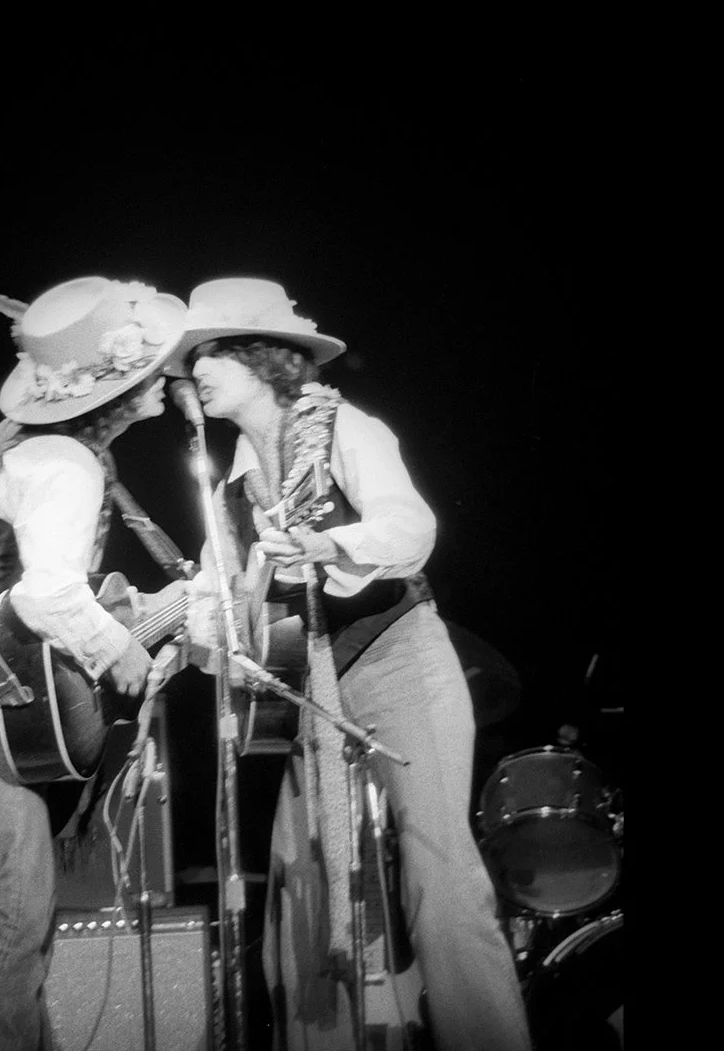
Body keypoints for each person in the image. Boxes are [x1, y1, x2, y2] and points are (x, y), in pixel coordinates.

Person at [171, 278, 531, 1051]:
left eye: (210, 353)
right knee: (302, 886)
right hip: (311, 693)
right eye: (193, 356)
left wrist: (333, 545)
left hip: (399, 660)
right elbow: (217, 604)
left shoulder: (342, 429)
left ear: (262, 358)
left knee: (441, 878)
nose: (194, 370)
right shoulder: (230, 480)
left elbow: (410, 526)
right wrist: (170, 627)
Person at [0, 275, 188, 1051]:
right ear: (119, 386)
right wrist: (119, 647)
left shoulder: (30, 447)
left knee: (22, 913)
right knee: (16, 914)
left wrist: (147, 613)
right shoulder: (64, 462)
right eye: (151, 365)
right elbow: (47, 597)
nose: (168, 373)